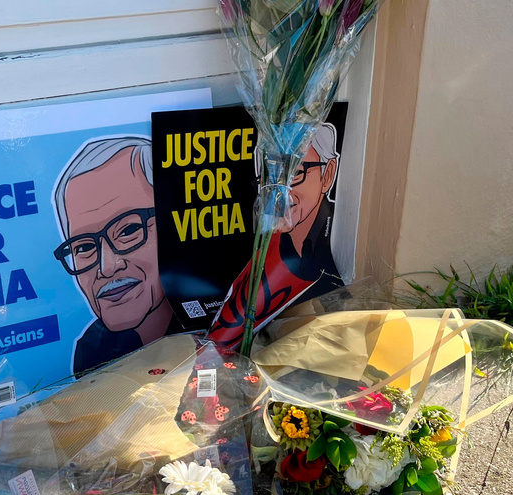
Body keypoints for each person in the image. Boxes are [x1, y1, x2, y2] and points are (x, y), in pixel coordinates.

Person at [208, 123, 344, 349]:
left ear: (328, 174)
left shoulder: (331, 249)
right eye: (271, 177)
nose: (281, 193)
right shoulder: (268, 245)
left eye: (296, 173)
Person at [53, 136, 181, 376]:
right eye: (84, 247)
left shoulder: (212, 329)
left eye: (129, 230)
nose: (107, 267)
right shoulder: (91, 351)